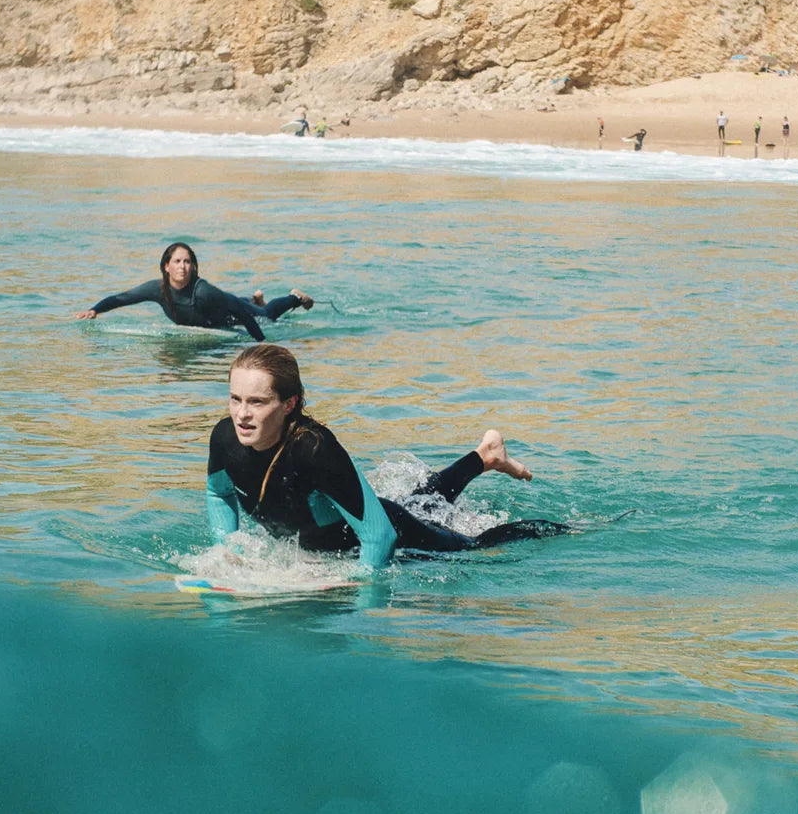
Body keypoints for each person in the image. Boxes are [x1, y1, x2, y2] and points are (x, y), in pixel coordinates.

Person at [206, 344, 569, 569]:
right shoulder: (225, 438)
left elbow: (379, 537)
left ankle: (574, 529)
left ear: (289, 404)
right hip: (350, 526)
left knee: (474, 547)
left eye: (256, 401)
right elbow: (218, 494)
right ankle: (485, 455)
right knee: (420, 503)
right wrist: (229, 550)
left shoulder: (314, 450)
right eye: (235, 399)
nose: (241, 414)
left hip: (389, 532)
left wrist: (360, 591)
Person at [76, 242, 314, 340]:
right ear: (166, 266)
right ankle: (255, 298)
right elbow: (123, 298)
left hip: (234, 312)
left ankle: (295, 296)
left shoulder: (203, 292)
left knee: (266, 315)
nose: (183, 267)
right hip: (223, 305)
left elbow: (242, 316)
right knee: (248, 305)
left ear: (193, 266)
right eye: (177, 262)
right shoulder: (157, 289)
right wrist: (94, 310)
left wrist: (261, 342)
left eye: (187, 262)